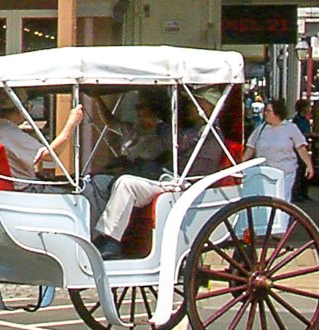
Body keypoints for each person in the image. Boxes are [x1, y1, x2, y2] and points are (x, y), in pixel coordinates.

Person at [92, 98, 224, 259]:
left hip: (183, 182)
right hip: (165, 176)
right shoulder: (137, 129)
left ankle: (111, 241)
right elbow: (111, 123)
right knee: (98, 183)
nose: (191, 106)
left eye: (197, 103)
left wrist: (158, 125)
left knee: (126, 184)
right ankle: (94, 234)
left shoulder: (207, 131)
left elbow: (179, 143)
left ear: (208, 107)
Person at [0, 95, 85, 188]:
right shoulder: (9, 133)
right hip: (27, 190)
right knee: (91, 187)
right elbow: (50, 155)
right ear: (21, 109)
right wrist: (71, 124)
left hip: (20, 185)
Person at [245, 99, 315, 201]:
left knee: (281, 200)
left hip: (285, 172)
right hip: (264, 172)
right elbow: (251, 147)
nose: (265, 113)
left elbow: (301, 148)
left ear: (277, 113)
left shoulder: (291, 128)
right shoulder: (261, 129)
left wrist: (309, 166)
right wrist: (240, 164)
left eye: (268, 111)